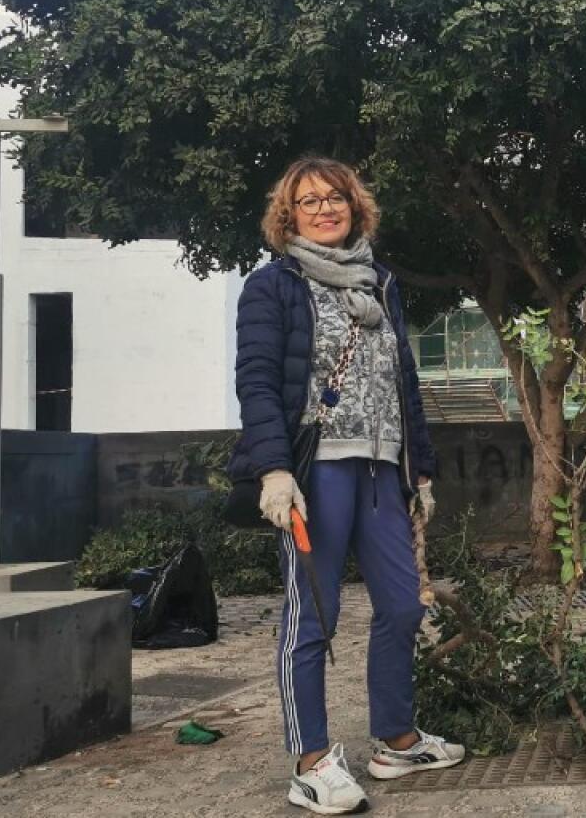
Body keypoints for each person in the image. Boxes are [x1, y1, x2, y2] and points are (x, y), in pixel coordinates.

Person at [227, 156, 464, 814]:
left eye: (335, 198)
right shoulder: (271, 286)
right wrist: (273, 469)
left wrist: (420, 467)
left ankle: (395, 740)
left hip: (381, 469)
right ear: (289, 215)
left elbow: (404, 382)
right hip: (316, 470)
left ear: (355, 207)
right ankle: (311, 761)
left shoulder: (381, 284)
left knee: (404, 607)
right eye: (309, 201)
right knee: (314, 616)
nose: (325, 208)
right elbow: (256, 382)